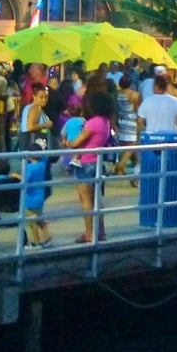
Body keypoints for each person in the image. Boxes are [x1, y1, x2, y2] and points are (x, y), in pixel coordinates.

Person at [64, 89, 113, 244]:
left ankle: (89, 234)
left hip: (85, 163)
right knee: (97, 199)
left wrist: (68, 144)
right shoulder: (105, 122)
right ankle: (101, 232)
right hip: (98, 162)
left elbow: (77, 142)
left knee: (85, 199)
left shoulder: (91, 123)